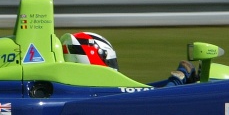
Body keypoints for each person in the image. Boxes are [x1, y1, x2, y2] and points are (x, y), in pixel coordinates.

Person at [60, 31, 197, 87]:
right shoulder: (99, 95)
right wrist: (179, 79)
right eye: (109, 61)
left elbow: (142, 90)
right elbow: (153, 100)